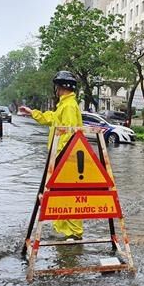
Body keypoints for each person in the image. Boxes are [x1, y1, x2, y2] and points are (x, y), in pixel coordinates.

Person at [19, 71, 84, 241]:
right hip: (64, 158)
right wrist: (32, 113)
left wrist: (59, 157)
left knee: (68, 195)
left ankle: (74, 233)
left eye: (56, 87)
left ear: (60, 87)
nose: (55, 90)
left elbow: (69, 133)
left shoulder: (69, 106)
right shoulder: (64, 105)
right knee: (61, 194)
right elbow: (52, 118)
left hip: (66, 159)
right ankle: (65, 231)